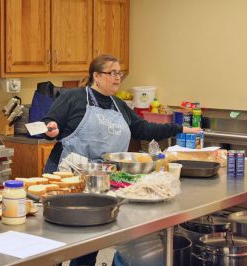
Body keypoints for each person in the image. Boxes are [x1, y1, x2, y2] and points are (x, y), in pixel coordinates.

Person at [42, 54, 201, 266]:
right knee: (57, 240)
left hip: (100, 181)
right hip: (67, 176)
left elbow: (144, 128)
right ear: (96, 76)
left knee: (90, 239)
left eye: (120, 73)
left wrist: (181, 128)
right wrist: (51, 128)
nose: (117, 77)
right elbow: (50, 123)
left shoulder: (119, 105)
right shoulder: (74, 97)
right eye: (112, 73)